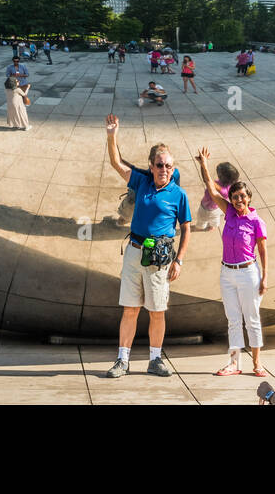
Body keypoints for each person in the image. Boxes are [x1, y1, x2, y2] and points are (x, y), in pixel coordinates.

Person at [102, 114, 192, 378]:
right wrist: (111, 135)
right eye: (160, 165)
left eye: (169, 166)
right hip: (134, 252)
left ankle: (155, 359)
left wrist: (179, 260)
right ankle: (122, 360)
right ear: (151, 166)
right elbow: (116, 162)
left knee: (156, 311)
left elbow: (186, 228)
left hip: (159, 259)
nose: (165, 170)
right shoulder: (142, 182)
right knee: (130, 309)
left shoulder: (178, 193)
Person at [197, 147, 267, 377]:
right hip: (227, 273)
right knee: (233, 319)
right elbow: (210, 187)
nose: (238, 200)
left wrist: (264, 277)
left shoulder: (256, 221)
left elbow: (263, 250)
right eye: (235, 197)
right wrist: (204, 164)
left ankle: (257, 363)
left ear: (249, 198)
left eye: (242, 197)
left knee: (252, 318)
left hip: (248, 273)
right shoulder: (228, 213)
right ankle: (234, 363)